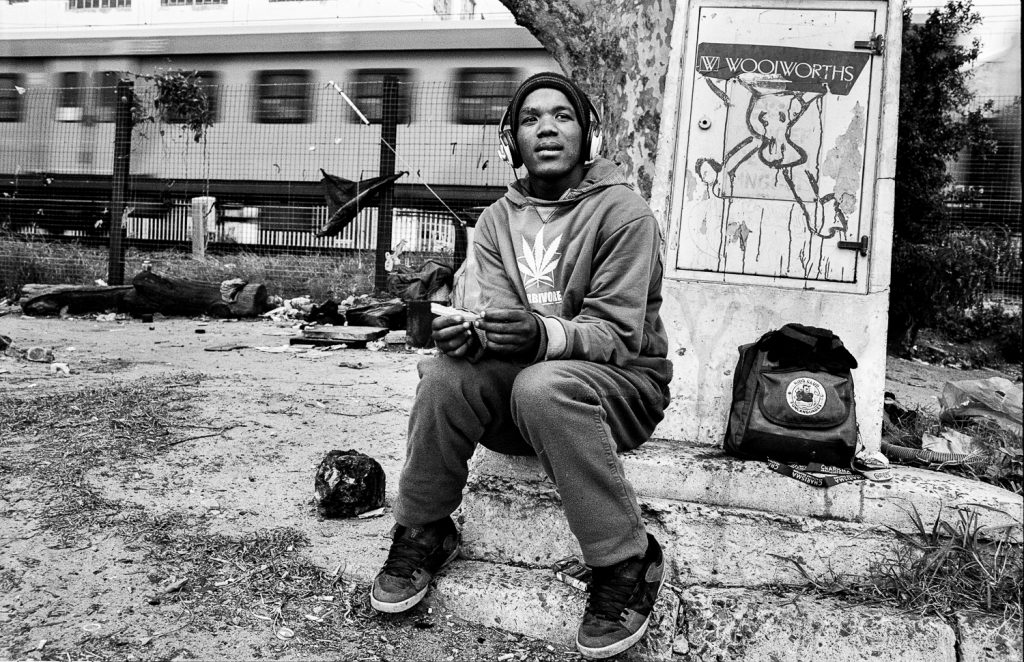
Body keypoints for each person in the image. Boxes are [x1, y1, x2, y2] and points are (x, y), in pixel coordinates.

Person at [369, 71, 673, 659]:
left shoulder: (625, 214)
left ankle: (627, 559)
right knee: (444, 377)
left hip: (622, 390)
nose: (547, 129)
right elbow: (499, 323)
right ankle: (425, 527)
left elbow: (616, 336)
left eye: (562, 116)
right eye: (531, 119)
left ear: (589, 134)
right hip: (529, 395)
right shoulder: (494, 221)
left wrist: (540, 333)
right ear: (513, 140)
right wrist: (468, 337)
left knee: (542, 385)